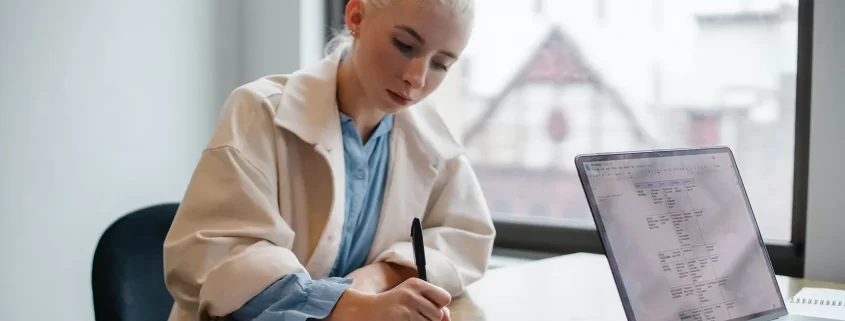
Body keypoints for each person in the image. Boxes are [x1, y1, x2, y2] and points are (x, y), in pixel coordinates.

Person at [162, 0, 495, 320]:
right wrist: (349, 307)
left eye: (441, 64)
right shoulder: (260, 111)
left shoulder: (431, 137)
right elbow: (216, 258)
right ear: (356, 18)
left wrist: (379, 276)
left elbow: (466, 236)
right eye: (404, 45)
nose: (417, 78)